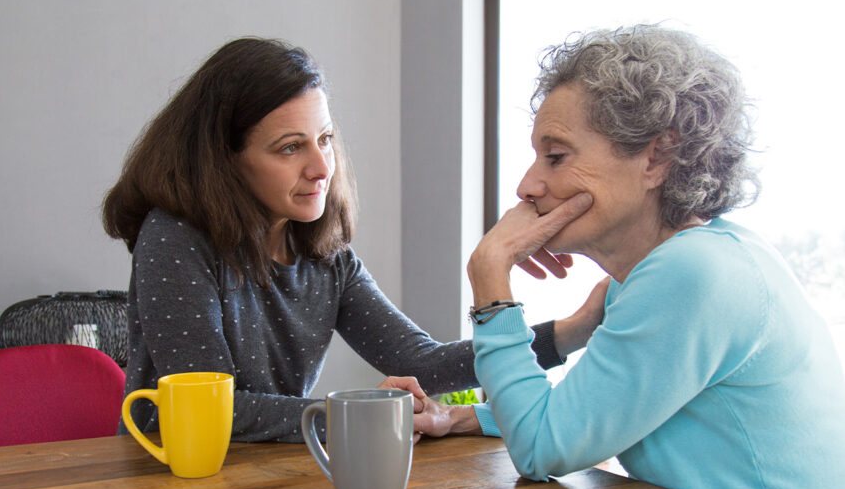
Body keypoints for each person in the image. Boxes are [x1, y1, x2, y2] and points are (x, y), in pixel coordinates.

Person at [411, 25, 845, 489]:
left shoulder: (695, 273)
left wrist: (490, 274)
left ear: (656, 158)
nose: (527, 186)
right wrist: (461, 416)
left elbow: (542, 447)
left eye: (556, 156)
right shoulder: (690, 263)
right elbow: (591, 411)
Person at [102, 37, 566, 443]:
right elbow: (212, 408)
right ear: (224, 160)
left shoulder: (327, 258)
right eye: (290, 147)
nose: (322, 167)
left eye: (324, 139)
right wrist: (359, 412)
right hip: (167, 484)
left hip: (270, 481)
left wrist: (578, 329)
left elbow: (421, 362)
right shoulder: (175, 237)